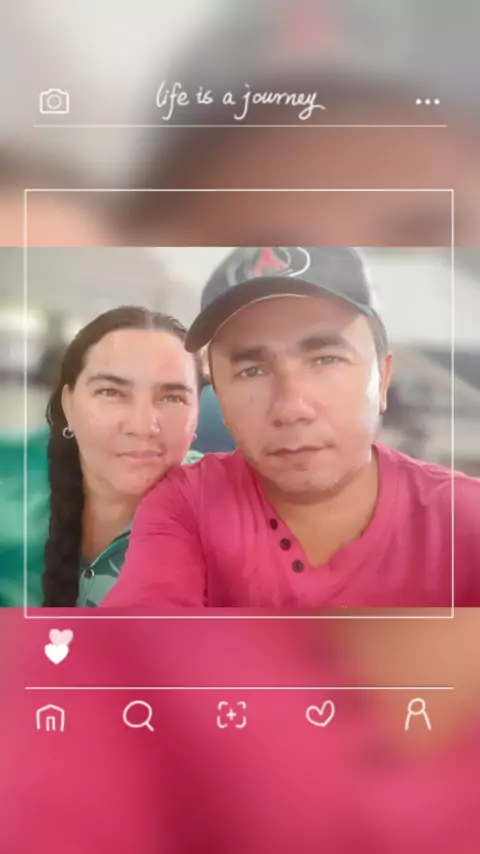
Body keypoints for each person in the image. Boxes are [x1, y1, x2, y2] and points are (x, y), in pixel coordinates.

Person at [102, 246, 480, 609]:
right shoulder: (188, 506)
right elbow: (135, 642)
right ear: (218, 393)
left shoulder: (464, 521)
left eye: (326, 359)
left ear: (382, 380)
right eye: (252, 370)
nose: (291, 408)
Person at [42, 306, 203, 607]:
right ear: (68, 404)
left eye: (172, 397)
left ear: (198, 414)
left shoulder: (235, 517)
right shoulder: (12, 492)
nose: (142, 426)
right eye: (111, 392)